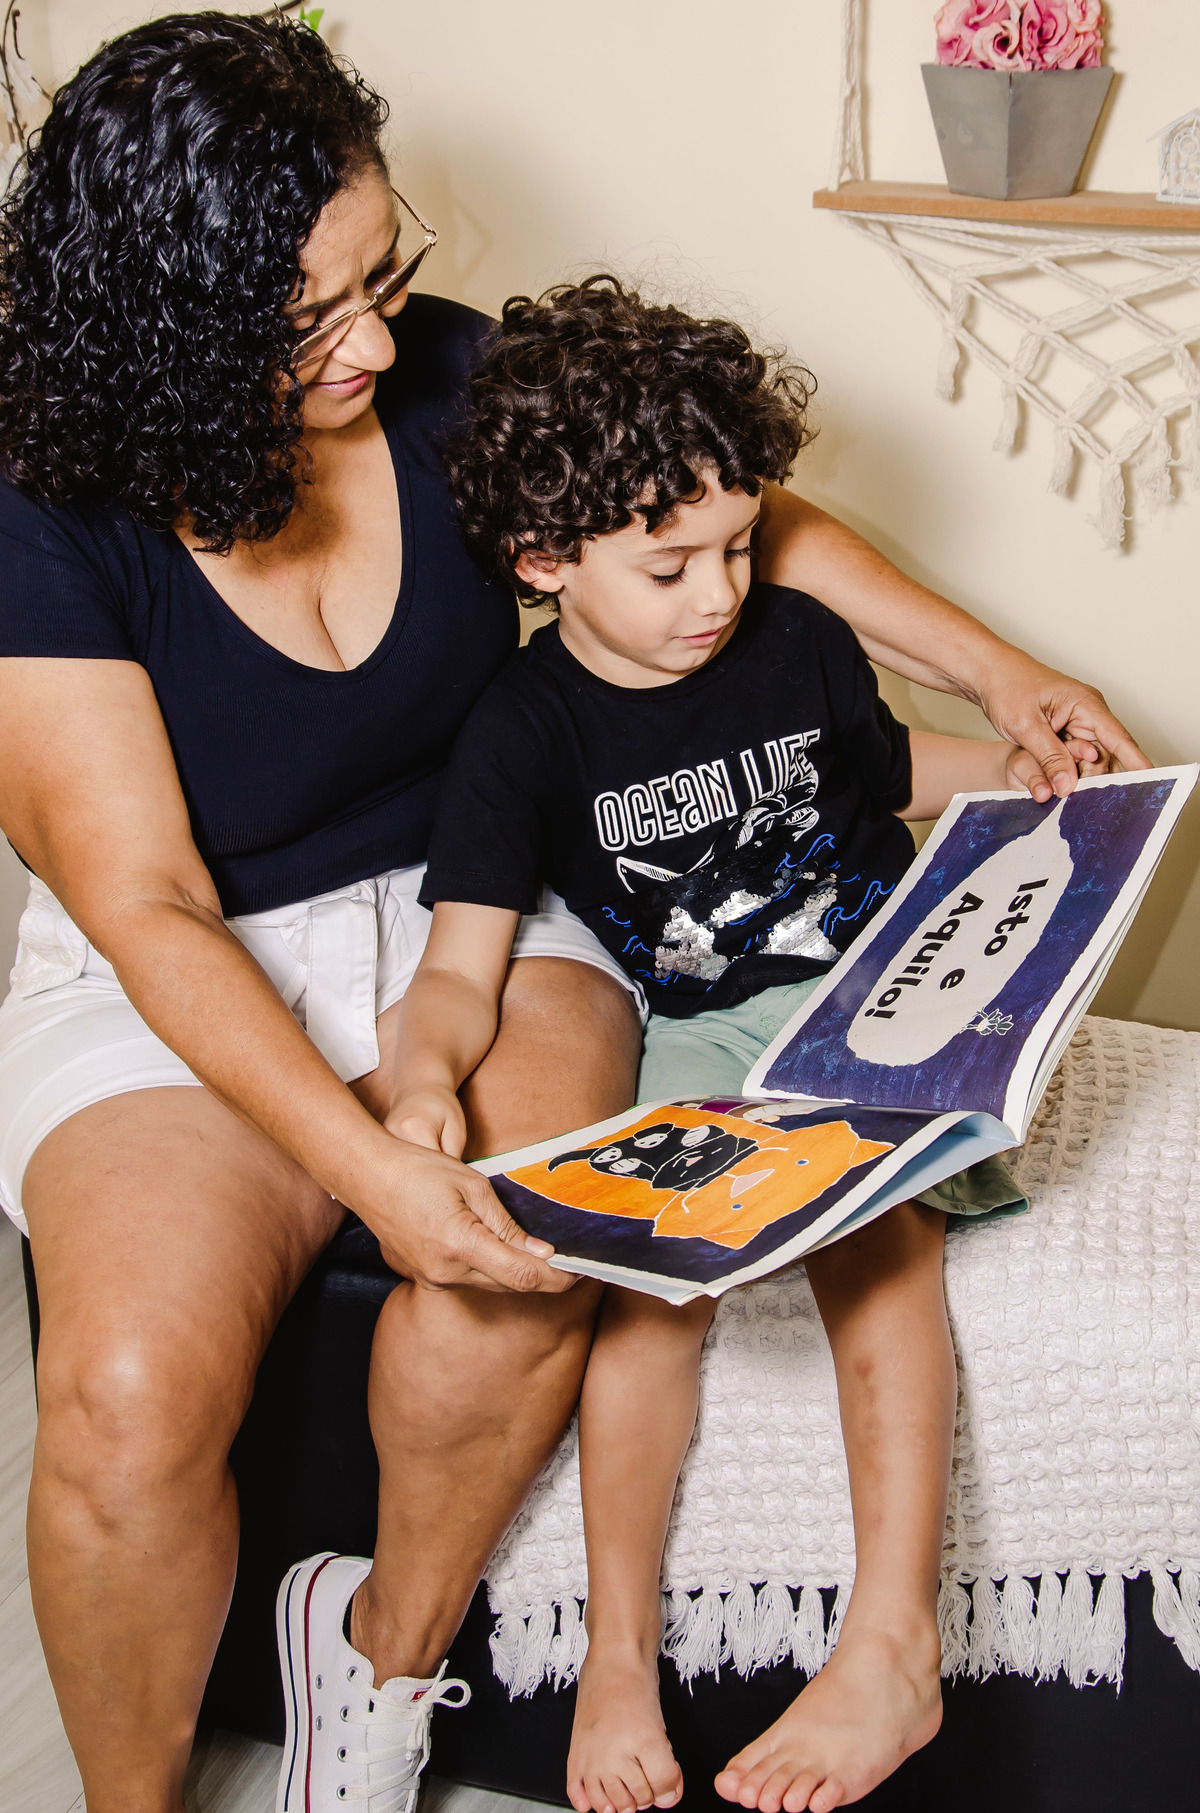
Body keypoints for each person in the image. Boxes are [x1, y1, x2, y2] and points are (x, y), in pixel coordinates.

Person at [0, 15, 1145, 1813]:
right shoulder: (45, 512)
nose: (376, 342)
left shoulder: (447, 381)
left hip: (484, 903)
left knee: (526, 1278)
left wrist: (1001, 674)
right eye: (309, 317)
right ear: (172, 322)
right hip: (185, 958)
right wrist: (373, 1168)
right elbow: (143, 900)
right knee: (126, 1398)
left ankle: (375, 1666)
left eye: (383, 276)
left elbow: (739, 518)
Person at [391, 277, 1086, 1813]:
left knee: (877, 1237)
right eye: (671, 565)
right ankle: (617, 1655)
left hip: (876, 990)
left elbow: (882, 773)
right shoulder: (522, 732)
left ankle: (889, 1642)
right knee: (650, 1295)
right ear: (545, 559)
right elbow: (457, 969)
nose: (719, 591)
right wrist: (424, 1080)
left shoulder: (796, 638)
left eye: (740, 542)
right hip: (703, 1027)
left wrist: (1030, 770)